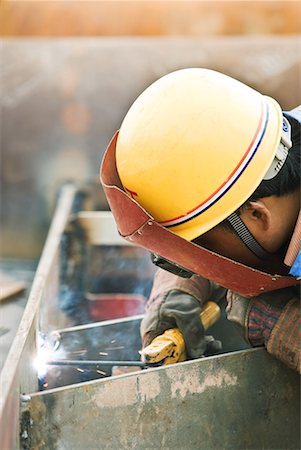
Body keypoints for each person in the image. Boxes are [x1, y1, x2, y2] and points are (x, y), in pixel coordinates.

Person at [100, 68, 301, 372]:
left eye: (200, 249)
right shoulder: (264, 144)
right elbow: (216, 199)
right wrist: (180, 288)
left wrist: (284, 325)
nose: (200, 261)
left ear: (259, 216)